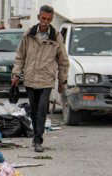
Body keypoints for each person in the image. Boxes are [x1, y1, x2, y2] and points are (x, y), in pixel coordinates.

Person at [12, 5, 69, 153]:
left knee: (42, 110)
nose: (45, 22)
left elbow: (63, 61)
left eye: (48, 19)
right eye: (43, 18)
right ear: (38, 17)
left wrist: (62, 81)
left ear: (51, 20)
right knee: (34, 110)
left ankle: (38, 140)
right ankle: (35, 135)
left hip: (46, 80)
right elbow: (20, 57)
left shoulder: (56, 36)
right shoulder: (28, 35)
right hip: (30, 79)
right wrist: (16, 74)